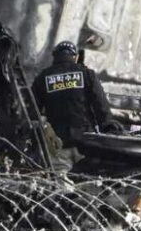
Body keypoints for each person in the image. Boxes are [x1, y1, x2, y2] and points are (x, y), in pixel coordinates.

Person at [32, 41, 114, 171]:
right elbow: (101, 106)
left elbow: (33, 111)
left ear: (55, 56)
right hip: (86, 142)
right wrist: (109, 128)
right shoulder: (87, 74)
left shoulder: (42, 78)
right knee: (87, 180)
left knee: (60, 181)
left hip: (58, 145)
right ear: (75, 57)